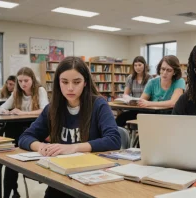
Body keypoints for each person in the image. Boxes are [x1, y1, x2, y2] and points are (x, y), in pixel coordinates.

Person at [19, 56, 121, 198]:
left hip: (92, 179)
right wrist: (41, 147)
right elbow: (25, 137)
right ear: (58, 83)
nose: (70, 88)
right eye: (64, 82)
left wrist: (73, 147)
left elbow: (114, 139)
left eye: (77, 82)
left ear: (85, 82)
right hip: (61, 179)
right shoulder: (52, 108)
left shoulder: (98, 105)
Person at [0, 67, 49, 198]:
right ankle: (8, 194)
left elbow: (45, 110)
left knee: (11, 157)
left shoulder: (40, 90)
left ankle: (11, 192)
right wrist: (6, 112)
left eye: (26, 80)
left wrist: (23, 113)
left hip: (34, 129)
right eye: (20, 81)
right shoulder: (16, 93)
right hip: (17, 128)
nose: (23, 84)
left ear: (32, 80)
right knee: (9, 160)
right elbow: (2, 107)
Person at [115, 56, 152, 127]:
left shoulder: (150, 79)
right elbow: (125, 94)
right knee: (119, 119)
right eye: (135, 65)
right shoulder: (130, 78)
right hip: (134, 107)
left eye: (140, 65)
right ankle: (116, 136)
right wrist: (128, 99)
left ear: (144, 65)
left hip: (146, 109)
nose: (137, 67)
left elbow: (150, 95)